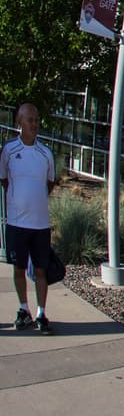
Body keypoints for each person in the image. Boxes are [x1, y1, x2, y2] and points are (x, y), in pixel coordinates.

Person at [1, 103, 57, 332]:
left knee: (41, 269)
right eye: (29, 120)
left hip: (40, 225)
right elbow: (4, 180)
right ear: (19, 123)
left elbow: (50, 183)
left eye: (36, 120)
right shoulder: (9, 151)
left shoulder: (46, 153)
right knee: (18, 268)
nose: (34, 124)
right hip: (16, 223)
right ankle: (24, 308)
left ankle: (41, 314)